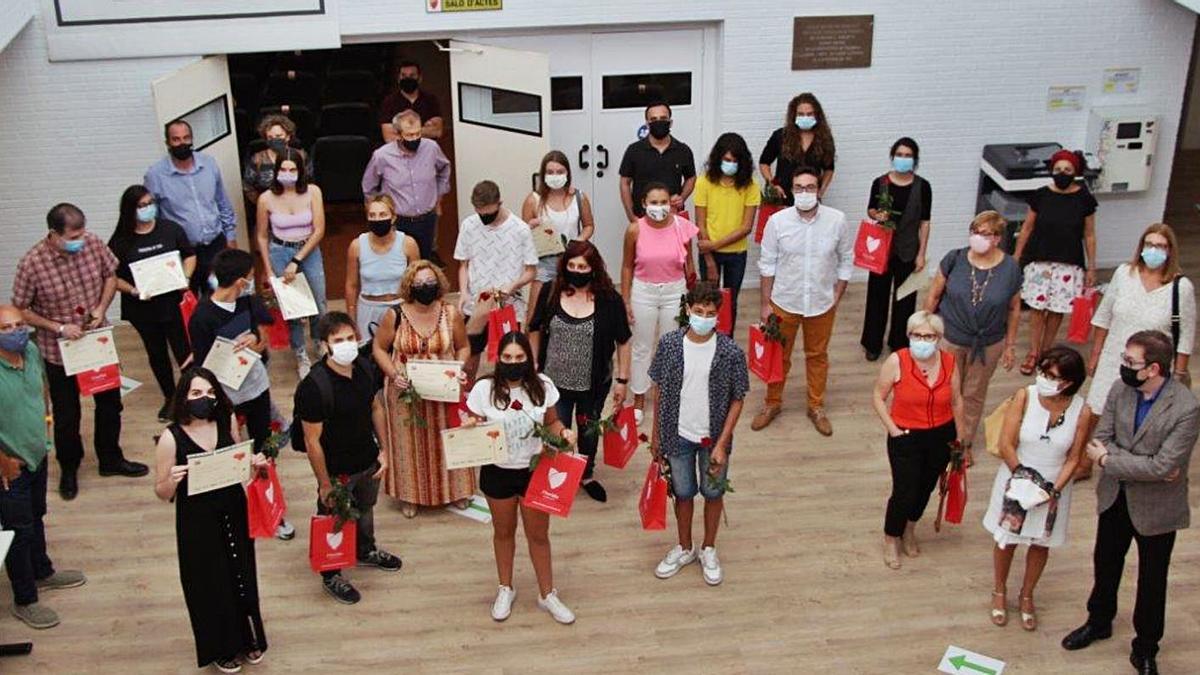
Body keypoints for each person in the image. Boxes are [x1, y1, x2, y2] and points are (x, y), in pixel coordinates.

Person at [1063, 331, 1200, 675]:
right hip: (1115, 496)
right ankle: (1099, 621)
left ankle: (1146, 647)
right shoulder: (1119, 390)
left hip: (1157, 508)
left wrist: (1111, 461)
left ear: (1153, 369)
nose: (1123, 366)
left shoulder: (1186, 407)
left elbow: (1163, 466)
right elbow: (1101, 439)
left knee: (1152, 581)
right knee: (1105, 562)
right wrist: (1140, 463)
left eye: (1130, 361)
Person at [12, 203, 148, 501]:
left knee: (111, 404)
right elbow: (21, 309)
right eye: (74, 235)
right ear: (53, 234)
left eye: (82, 233)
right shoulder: (31, 263)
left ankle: (111, 459)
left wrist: (101, 308)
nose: (80, 240)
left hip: (96, 342)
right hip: (59, 349)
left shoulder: (94, 243)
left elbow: (110, 276)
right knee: (66, 415)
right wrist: (59, 327)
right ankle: (69, 468)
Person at [154, 367, 269, 673]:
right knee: (208, 581)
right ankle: (221, 646)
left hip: (233, 508)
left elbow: (238, 465)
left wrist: (255, 464)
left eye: (209, 393)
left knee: (241, 572)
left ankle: (248, 636)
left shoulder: (226, 421)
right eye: (196, 393)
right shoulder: (170, 438)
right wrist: (173, 480)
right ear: (184, 397)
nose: (204, 399)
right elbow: (161, 492)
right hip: (196, 519)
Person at [464, 331, 578, 624]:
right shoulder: (483, 390)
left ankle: (547, 593)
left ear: (529, 358)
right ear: (498, 358)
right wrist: (468, 426)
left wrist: (564, 434)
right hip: (497, 473)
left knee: (538, 536)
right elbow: (472, 426)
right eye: (507, 357)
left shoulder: (543, 387)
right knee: (503, 534)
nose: (513, 362)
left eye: (519, 357)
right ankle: (506, 588)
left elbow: (552, 422)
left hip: (534, 472)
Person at [648, 281, 748, 586]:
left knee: (713, 493)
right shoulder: (669, 345)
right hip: (676, 434)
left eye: (710, 312)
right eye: (699, 310)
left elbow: (738, 397)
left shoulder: (730, 351)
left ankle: (708, 548)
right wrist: (656, 435)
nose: (704, 317)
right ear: (688, 310)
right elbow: (658, 389)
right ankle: (684, 546)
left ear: (718, 316)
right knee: (683, 493)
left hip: (713, 439)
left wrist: (722, 443)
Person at [982, 347, 1089, 630]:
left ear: (1068, 382)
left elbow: (1075, 457)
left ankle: (1027, 594)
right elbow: (1006, 442)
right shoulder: (1025, 396)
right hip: (1017, 479)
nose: (1044, 379)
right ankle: (999, 590)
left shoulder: (1082, 410)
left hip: (1053, 487)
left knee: (1041, 543)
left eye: (1052, 376)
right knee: (1007, 539)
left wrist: (1053, 489)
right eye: (1043, 371)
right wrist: (1022, 477)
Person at [298, 312, 401, 605]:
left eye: (350, 338)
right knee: (333, 518)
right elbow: (311, 441)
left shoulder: (365, 368)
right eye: (338, 340)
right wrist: (324, 484)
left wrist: (384, 449)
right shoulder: (314, 387)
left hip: (367, 459)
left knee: (365, 508)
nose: (346, 344)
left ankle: (364, 550)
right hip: (336, 470)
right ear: (325, 345)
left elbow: (376, 408)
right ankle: (331, 573)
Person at [0, 305, 87, 630]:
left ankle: (42, 571)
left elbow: (42, 391)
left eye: (20, 325)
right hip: (10, 469)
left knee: (37, 515)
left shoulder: (32, 350)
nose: (17, 332)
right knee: (18, 531)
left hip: (36, 454)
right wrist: (5, 463)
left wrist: (46, 430)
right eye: (7, 328)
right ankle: (25, 599)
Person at [1085, 223, 1194, 479]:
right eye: (1149, 244)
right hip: (1115, 356)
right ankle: (1084, 460)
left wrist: (1179, 373)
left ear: (1170, 251)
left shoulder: (1181, 287)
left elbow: (1185, 337)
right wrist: (1096, 353)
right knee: (1094, 411)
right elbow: (1104, 316)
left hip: (1149, 368)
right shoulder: (1124, 274)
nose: (1153, 250)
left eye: (1160, 246)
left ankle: (1127, 464)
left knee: (1138, 417)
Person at [529, 240, 632, 502]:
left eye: (583, 266)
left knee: (588, 433)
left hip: (594, 384)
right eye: (572, 265)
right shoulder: (551, 291)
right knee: (557, 429)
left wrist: (622, 380)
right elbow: (534, 328)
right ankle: (558, 471)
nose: (577, 270)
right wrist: (534, 367)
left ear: (593, 268)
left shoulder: (610, 299)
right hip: (555, 382)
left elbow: (623, 341)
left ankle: (586, 473)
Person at [752, 167, 852, 436]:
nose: (804, 192)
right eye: (799, 187)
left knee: (817, 356)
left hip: (821, 302)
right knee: (778, 357)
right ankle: (772, 403)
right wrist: (765, 304)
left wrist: (837, 295)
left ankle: (816, 406)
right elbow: (767, 264)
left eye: (810, 187)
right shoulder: (778, 222)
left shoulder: (837, 220)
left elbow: (846, 259)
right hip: (784, 300)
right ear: (792, 190)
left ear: (819, 190)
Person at [373, 262, 475, 517]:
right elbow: (378, 348)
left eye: (430, 282)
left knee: (448, 438)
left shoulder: (450, 313)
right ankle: (410, 496)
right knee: (407, 444)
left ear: (438, 284)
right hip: (405, 390)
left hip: (444, 387)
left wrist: (457, 366)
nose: (425, 287)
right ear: (410, 286)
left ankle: (455, 492)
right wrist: (393, 374)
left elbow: (463, 346)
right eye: (419, 284)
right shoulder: (394, 315)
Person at [871, 311, 964, 570]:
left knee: (926, 487)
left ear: (938, 338)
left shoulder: (949, 362)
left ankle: (910, 528)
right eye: (917, 335)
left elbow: (956, 400)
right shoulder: (896, 361)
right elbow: (878, 396)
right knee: (904, 490)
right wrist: (893, 429)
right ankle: (891, 537)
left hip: (941, 435)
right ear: (909, 336)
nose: (923, 340)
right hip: (906, 435)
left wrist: (961, 435)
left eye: (929, 336)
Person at [925, 211, 1022, 449]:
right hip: (951, 337)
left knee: (973, 394)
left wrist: (1010, 345)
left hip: (988, 343)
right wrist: (926, 328)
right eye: (974, 232)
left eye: (985, 233)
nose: (977, 237)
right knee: (947, 388)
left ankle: (961, 443)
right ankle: (939, 434)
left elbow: (1014, 309)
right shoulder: (954, 259)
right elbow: (934, 294)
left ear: (997, 238)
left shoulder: (1010, 268)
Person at [107, 185, 196, 421]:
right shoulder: (120, 241)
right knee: (156, 352)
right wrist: (134, 290)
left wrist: (185, 278)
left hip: (174, 303)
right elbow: (110, 277)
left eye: (150, 203)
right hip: (143, 308)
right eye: (142, 205)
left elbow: (189, 254)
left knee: (184, 350)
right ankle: (170, 397)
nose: (148, 209)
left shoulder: (170, 229)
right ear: (130, 210)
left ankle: (192, 394)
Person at [1013, 149, 1098, 375]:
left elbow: (1089, 234)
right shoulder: (1040, 195)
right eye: (1058, 169)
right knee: (1037, 308)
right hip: (1040, 260)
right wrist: (1017, 255)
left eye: (1067, 170)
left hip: (1069, 262)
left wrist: (1092, 266)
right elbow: (1027, 227)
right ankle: (1033, 351)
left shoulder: (1084, 199)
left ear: (1075, 172)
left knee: (1056, 308)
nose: (1062, 173)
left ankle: (1047, 350)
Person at [621, 182, 699, 425]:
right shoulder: (635, 229)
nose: (659, 207)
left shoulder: (681, 226)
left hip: (675, 291)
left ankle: (666, 397)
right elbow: (626, 266)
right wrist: (625, 299)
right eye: (653, 203)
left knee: (671, 346)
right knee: (642, 347)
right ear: (644, 204)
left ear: (671, 203)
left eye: (663, 202)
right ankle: (639, 399)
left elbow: (689, 261)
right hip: (644, 291)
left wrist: (691, 290)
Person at [187, 249, 274, 457]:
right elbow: (202, 366)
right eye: (251, 277)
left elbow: (263, 337)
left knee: (264, 440)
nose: (252, 282)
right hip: (227, 393)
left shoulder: (250, 302)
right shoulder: (202, 317)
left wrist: (254, 338)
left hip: (256, 384)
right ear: (240, 282)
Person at [454, 180, 538, 381]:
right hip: (476, 305)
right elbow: (463, 264)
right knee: (468, 356)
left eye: (489, 213)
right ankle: (467, 400)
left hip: (507, 306)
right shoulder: (469, 225)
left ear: (500, 203)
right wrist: (464, 292)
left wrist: (512, 285)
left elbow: (531, 271)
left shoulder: (519, 229)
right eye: (480, 213)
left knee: (507, 359)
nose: (484, 217)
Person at [255, 148, 327, 379]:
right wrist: (268, 270)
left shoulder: (313, 192)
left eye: (293, 169)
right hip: (280, 252)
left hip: (308, 250)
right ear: (276, 172)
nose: (288, 173)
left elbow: (319, 230)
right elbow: (262, 236)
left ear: (301, 171)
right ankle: (300, 352)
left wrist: (297, 260)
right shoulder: (266, 199)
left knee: (319, 301)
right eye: (283, 169)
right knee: (294, 309)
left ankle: (319, 340)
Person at [144, 118, 238, 296]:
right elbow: (151, 217)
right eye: (176, 139)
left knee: (220, 298)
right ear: (168, 143)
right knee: (188, 302)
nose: (182, 143)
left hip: (215, 245)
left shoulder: (209, 164)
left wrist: (230, 236)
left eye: (186, 138)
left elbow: (222, 202)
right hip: (183, 252)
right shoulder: (155, 175)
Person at [860, 137, 933, 361]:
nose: (903, 159)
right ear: (893, 157)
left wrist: (921, 254)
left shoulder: (923, 186)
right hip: (881, 249)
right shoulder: (880, 182)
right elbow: (870, 209)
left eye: (908, 155)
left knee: (906, 299)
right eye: (899, 155)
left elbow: (925, 222)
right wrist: (877, 215)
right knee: (876, 297)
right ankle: (872, 343)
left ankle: (899, 342)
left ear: (915, 159)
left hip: (909, 250)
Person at [362, 110, 452, 261]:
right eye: (409, 135)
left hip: (427, 220)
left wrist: (438, 196)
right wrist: (378, 213)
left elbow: (444, 169)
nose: (415, 138)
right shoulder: (382, 156)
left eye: (418, 133)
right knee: (398, 264)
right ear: (398, 135)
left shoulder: (431, 148)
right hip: (398, 222)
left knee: (424, 263)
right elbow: (369, 187)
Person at [520, 150, 596, 325]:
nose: (555, 176)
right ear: (543, 174)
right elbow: (522, 234)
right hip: (544, 263)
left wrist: (579, 241)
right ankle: (535, 351)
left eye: (560, 172)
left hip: (573, 262)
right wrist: (530, 226)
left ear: (568, 173)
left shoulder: (579, 197)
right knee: (534, 318)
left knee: (574, 313)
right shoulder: (533, 200)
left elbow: (589, 225)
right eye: (550, 172)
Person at [694, 132, 760, 331]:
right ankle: (706, 338)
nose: (730, 164)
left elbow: (746, 227)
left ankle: (726, 343)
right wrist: (709, 258)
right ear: (718, 158)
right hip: (708, 253)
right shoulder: (704, 182)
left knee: (730, 302)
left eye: (735, 161)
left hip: (736, 254)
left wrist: (714, 244)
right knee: (707, 301)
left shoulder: (751, 186)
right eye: (726, 160)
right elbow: (701, 224)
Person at [346, 194, 420, 343]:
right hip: (368, 310)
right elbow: (351, 286)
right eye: (372, 215)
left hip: (400, 308)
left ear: (393, 217)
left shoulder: (408, 244)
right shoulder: (357, 245)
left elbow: (416, 283)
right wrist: (352, 322)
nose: (377, 219)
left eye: (382, 214)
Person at [618, 102, 696, 221]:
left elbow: (691, 178)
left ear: (670, 122)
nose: (658, 122)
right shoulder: (634, 150)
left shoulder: (683, 150)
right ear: (647, 124)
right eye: (653, 119)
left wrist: (682, 197)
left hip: (673, 216)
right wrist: (631, 216)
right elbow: (625, 183)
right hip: (642, 217)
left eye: (663, 118)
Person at [758, 93, 836, 204]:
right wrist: (773, 184)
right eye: (801, 114)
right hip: (783, 198)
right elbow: (764, 163)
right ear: (793, 115)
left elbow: (829, 168)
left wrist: (821, 190)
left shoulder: (824, 139)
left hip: (810, 198)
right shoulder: (780, 136)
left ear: (817, 115)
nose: (805, 117)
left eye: (809, 114)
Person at [241, 114, 309, 208]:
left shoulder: (301, 156)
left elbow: (309, 181)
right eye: (270, 137)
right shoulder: (257, 159)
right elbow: (247, 186)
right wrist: (262, 204)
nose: (274, 140)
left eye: (278, 136)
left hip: (298, 207)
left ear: (288, 136)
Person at [379, 60, 444, 141]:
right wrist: (424, 129)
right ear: (399, 79)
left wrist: (401, 131)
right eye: (404, 75)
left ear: (420, 78)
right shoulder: (389, 102)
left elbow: (437, 131)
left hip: (425, 149)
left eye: (412, 75)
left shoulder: (430, 100)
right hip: (399, 152)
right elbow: (389, 137)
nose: (407, 78)